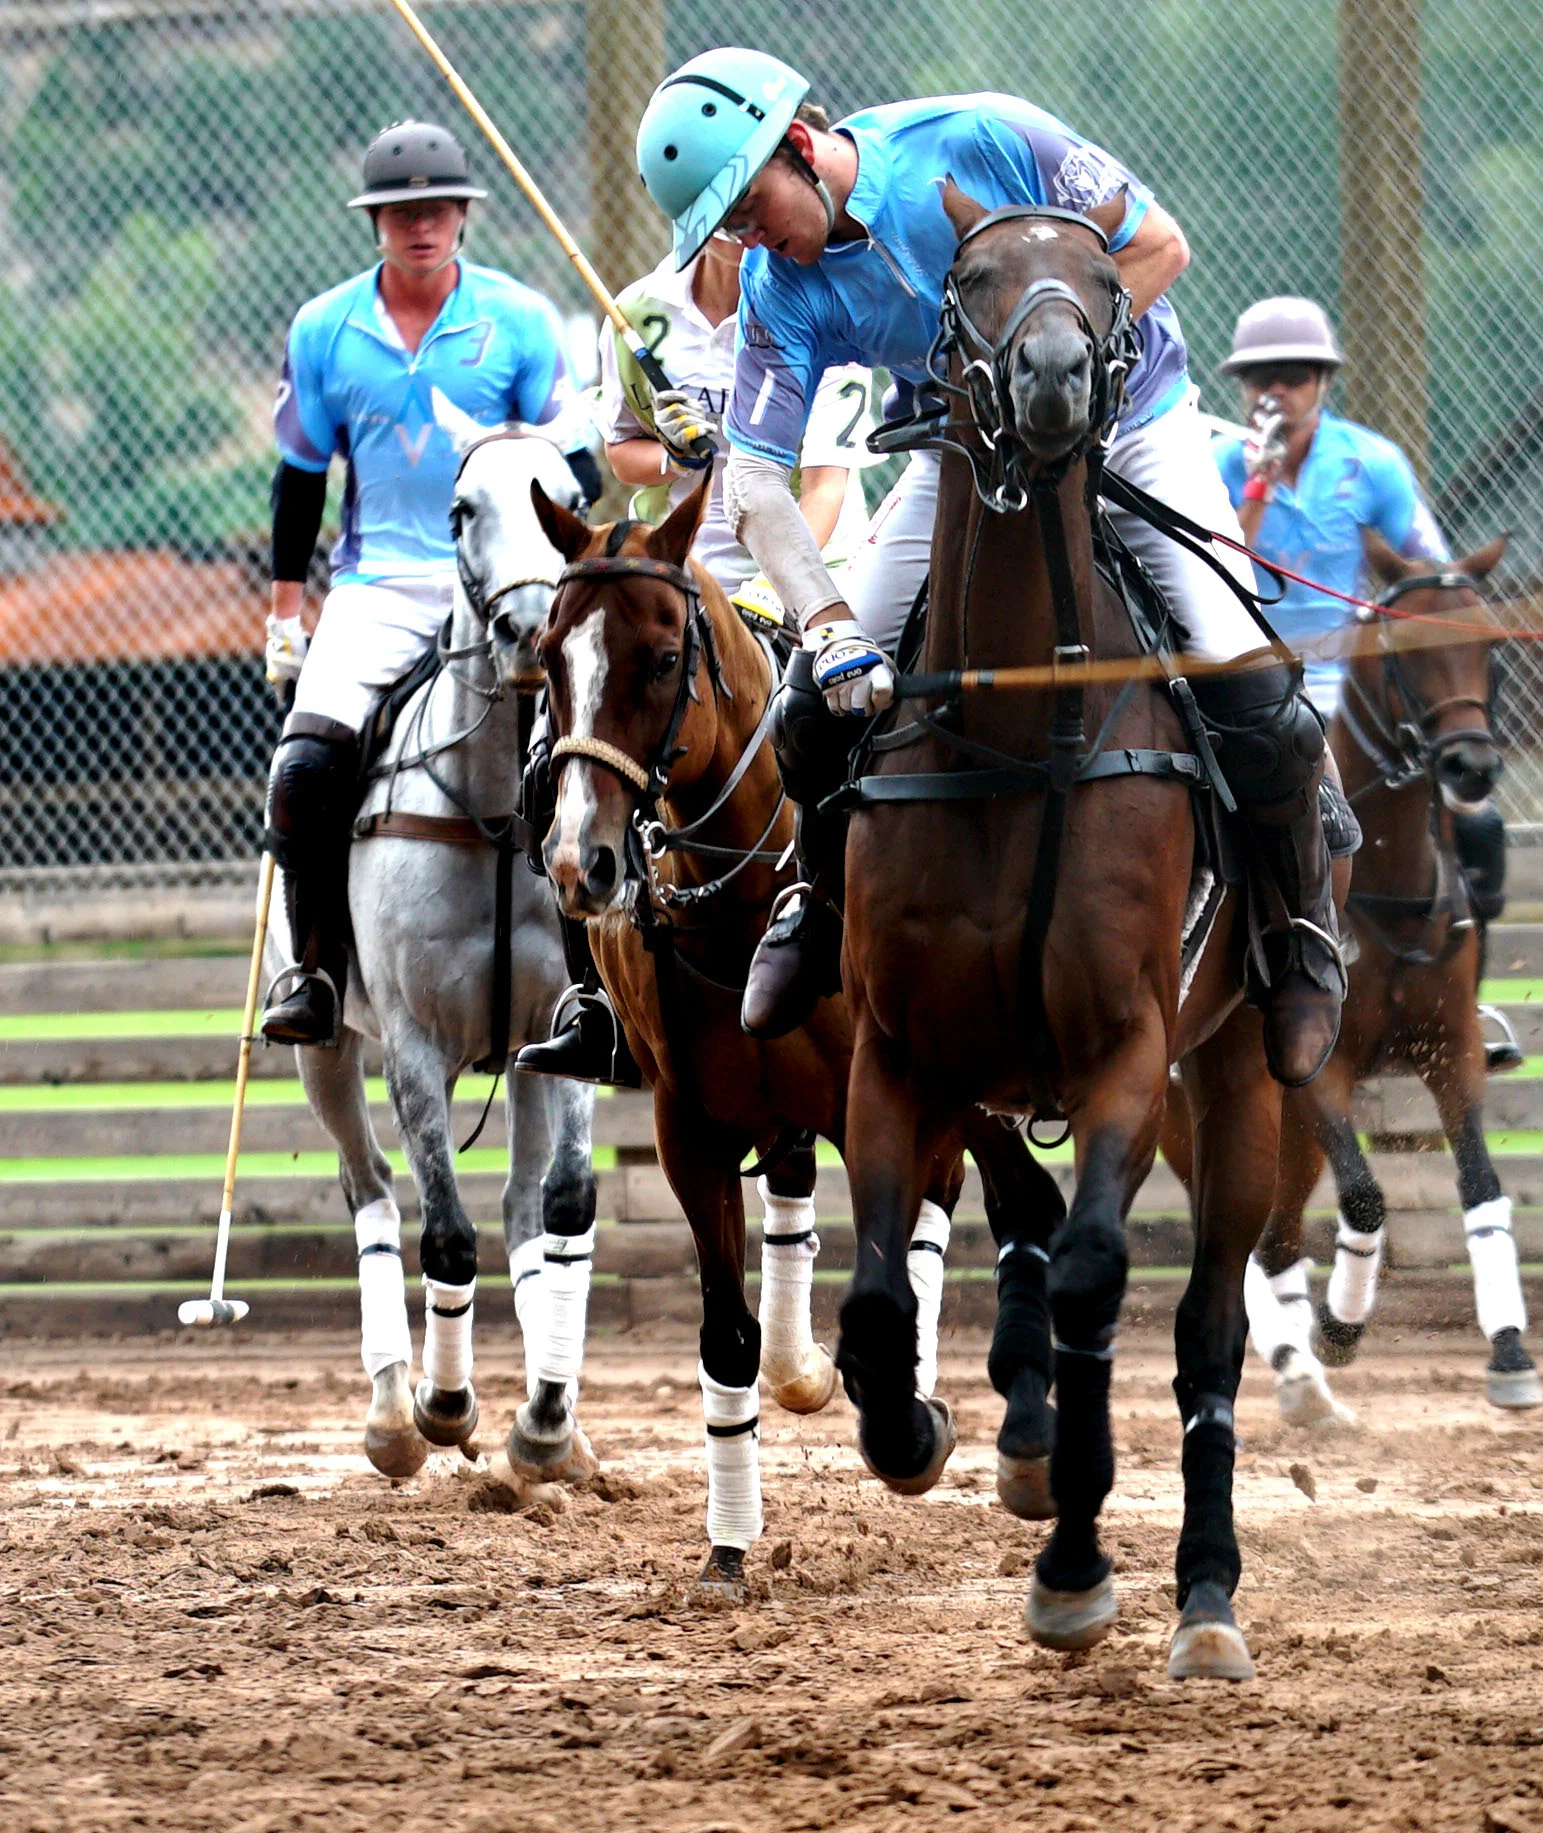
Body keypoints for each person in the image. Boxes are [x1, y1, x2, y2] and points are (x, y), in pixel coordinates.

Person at [633, 50, 1345, 1086]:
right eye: (729, 228)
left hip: (1129, 420)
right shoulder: (780, 287)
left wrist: (1068, 384)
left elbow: (1157, 247)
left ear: (798, 144)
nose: (750, 238)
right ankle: (814, 896)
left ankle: (1299, 937)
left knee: (1252, 686)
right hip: (962, 451)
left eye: (749, 206)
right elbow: (752, 477)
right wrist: (826, 622)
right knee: (805, 706)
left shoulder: (985, 135)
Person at [514, 194, 884, 1086]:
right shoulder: (637, 315)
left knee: (860, 738)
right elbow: (623, 451)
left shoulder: (823, 298)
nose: (730, 222)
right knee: (554, 757)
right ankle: (599, 1007)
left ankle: (886, 958)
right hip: (670, 575)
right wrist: (679, 450)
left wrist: (774, 583)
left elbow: (827, 484)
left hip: (808, 569)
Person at [263, 121, 588, 1046]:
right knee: (305, 767)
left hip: (508, 583)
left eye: (439, 208)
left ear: (463, 217)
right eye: (403, 212)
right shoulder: (324, 328)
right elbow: (299, 478)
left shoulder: (518, 319)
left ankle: (598, 981)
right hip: (376, 585)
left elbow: (574, 475)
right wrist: (288, 614)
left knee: (596, 750)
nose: (422, 225)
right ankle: (316, 971)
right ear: (376, 222)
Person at [1211, 296, 1522, 1073]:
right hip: (1261, 687)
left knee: (1477, 824)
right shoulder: (1216, 469)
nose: (1273, 393)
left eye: (1291, 377)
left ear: (1321, 381)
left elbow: (1431, 575)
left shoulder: (1373, 465)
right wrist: (1252, 490)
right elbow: (1212, 581)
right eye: (1259, 380)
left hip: (1367, 697)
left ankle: (1468, 1003)